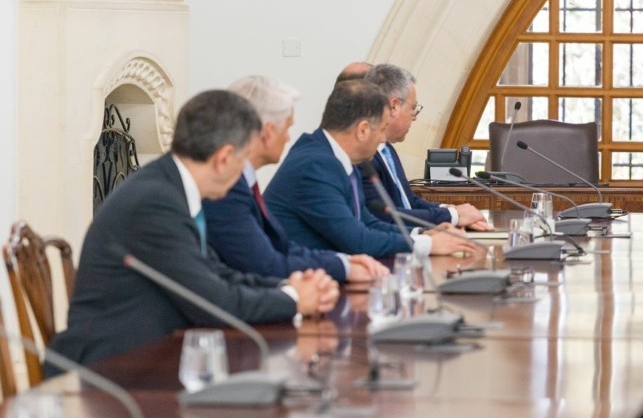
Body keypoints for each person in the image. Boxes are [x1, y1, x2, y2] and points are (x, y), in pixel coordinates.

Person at [46, 90, 339, 371]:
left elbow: (215, 273)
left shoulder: (169, 186)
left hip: (153, 356)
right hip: (109, 368)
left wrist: (286, 287)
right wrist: (294, 299)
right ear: (224, 158)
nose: (243, 173)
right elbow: (213, 303)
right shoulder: (155, 203)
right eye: (244, 161)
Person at [266, 80, 484, 259]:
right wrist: (428, 244)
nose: (382, 140)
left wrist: (425, 232)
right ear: (362, 130)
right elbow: (357, 239)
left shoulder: (336, 157)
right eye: (381, 130)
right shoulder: (316, 165)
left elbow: (368, 222)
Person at [202, 75, 388, 284]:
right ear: (268, 132)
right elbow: (264, 264)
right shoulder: (226, 188)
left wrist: (343, 262)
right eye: (287, 127)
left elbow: (281, 247)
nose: (289, 137)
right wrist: (342, 268)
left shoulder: (242, 181)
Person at [361, 63, 492, 231]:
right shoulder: (364, 156)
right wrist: (453, 216)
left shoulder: (387, 149)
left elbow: (409, 201)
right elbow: (385, 216)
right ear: (394, 106)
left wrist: (450, 210)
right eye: (413, 108)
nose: (414, 117)